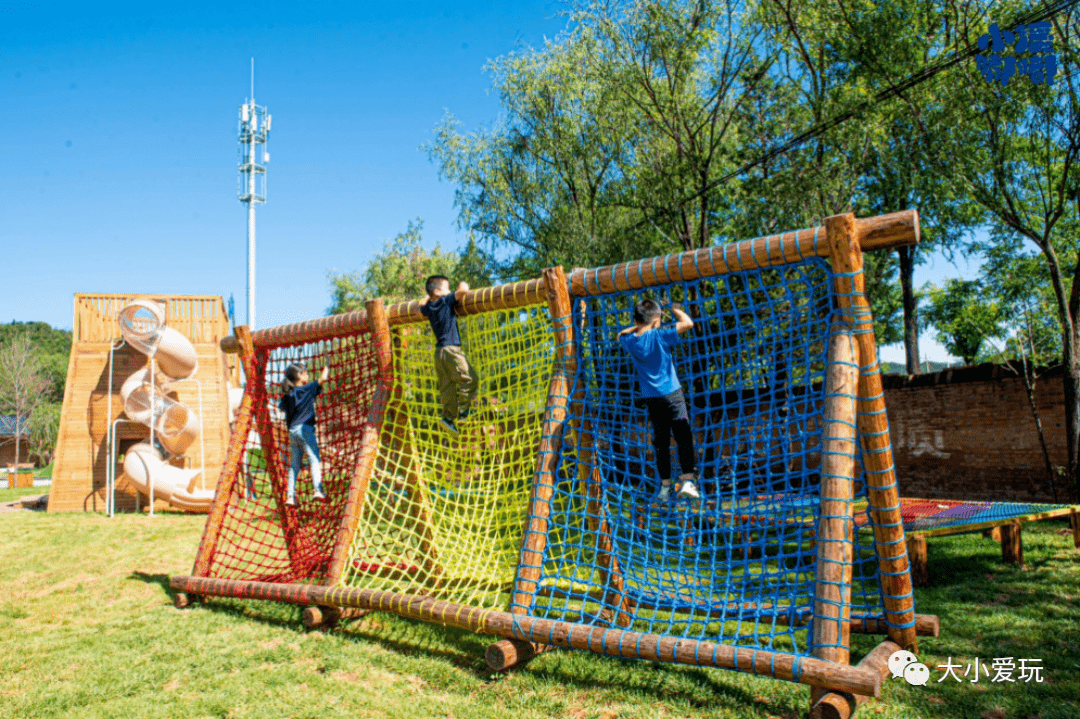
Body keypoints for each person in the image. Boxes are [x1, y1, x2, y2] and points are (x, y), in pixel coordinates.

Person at [618, 299, 700, 502]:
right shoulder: (660, 335)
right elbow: (688, 323)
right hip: (671, 393)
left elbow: (620, 334)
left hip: (651, 398)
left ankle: (665, 487)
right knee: (683, 435)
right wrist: (674, 310)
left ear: (636, 320)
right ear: (656, 320)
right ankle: (688, 480)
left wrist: (644, 323)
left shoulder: (630, 341)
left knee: (661, 441)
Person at [419, 274, 480, 436]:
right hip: (451, 349)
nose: (451, 291)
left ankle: (448, 418)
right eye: (448, 288)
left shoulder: (429, 308)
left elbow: (421, 304)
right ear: (438, 292)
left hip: (439, 353)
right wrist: (462, 282)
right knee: (470, 378)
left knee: (447, 387)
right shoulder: (445, 301)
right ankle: (464, 412)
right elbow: (464, 290)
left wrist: (428, 296)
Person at [278, 362, 329, 507]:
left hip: (293, 432)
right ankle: (318, 490)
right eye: (305, 372)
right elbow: (323, 379)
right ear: (299, 375)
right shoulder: (306, 389)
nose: (307, 374)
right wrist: (327, 364)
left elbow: (281, 408)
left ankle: (290, 496)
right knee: (314, 459)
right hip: (305, 430)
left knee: (294, 466)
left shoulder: (288, 394)